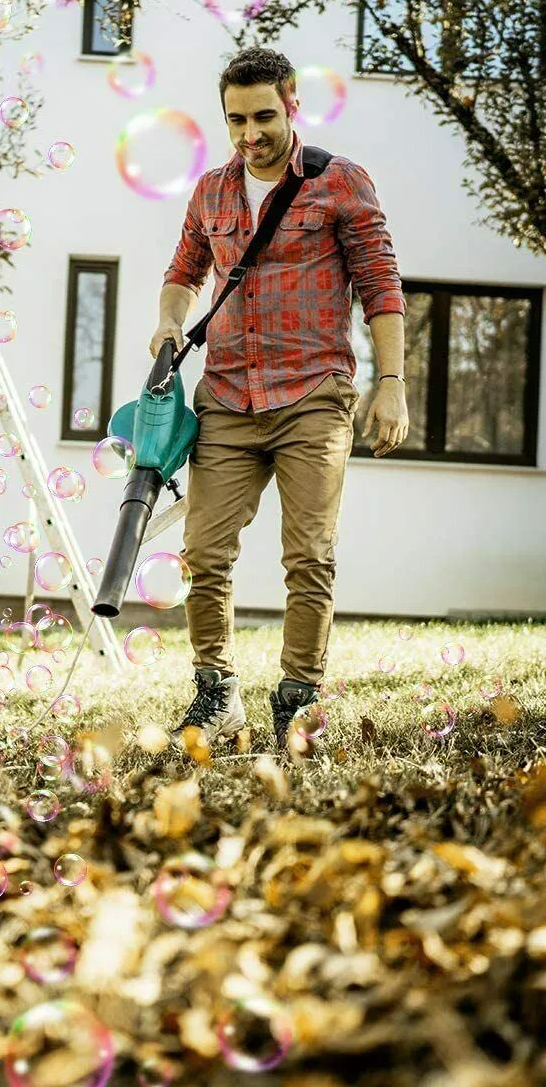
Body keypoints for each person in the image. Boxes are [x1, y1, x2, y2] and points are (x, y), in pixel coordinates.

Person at [150, 47, 409, 755]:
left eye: (263, 115)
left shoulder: (340, 182)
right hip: (228, 397)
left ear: (292, 100)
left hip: (313, 397)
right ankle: (217, 696)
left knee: (309, 557)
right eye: (236, 119)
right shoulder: (210, 191)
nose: (249, 133)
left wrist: (391, 383)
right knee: (204, 553)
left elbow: (382, 288)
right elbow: (184, 270)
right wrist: (172, 319)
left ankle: (298, 701)